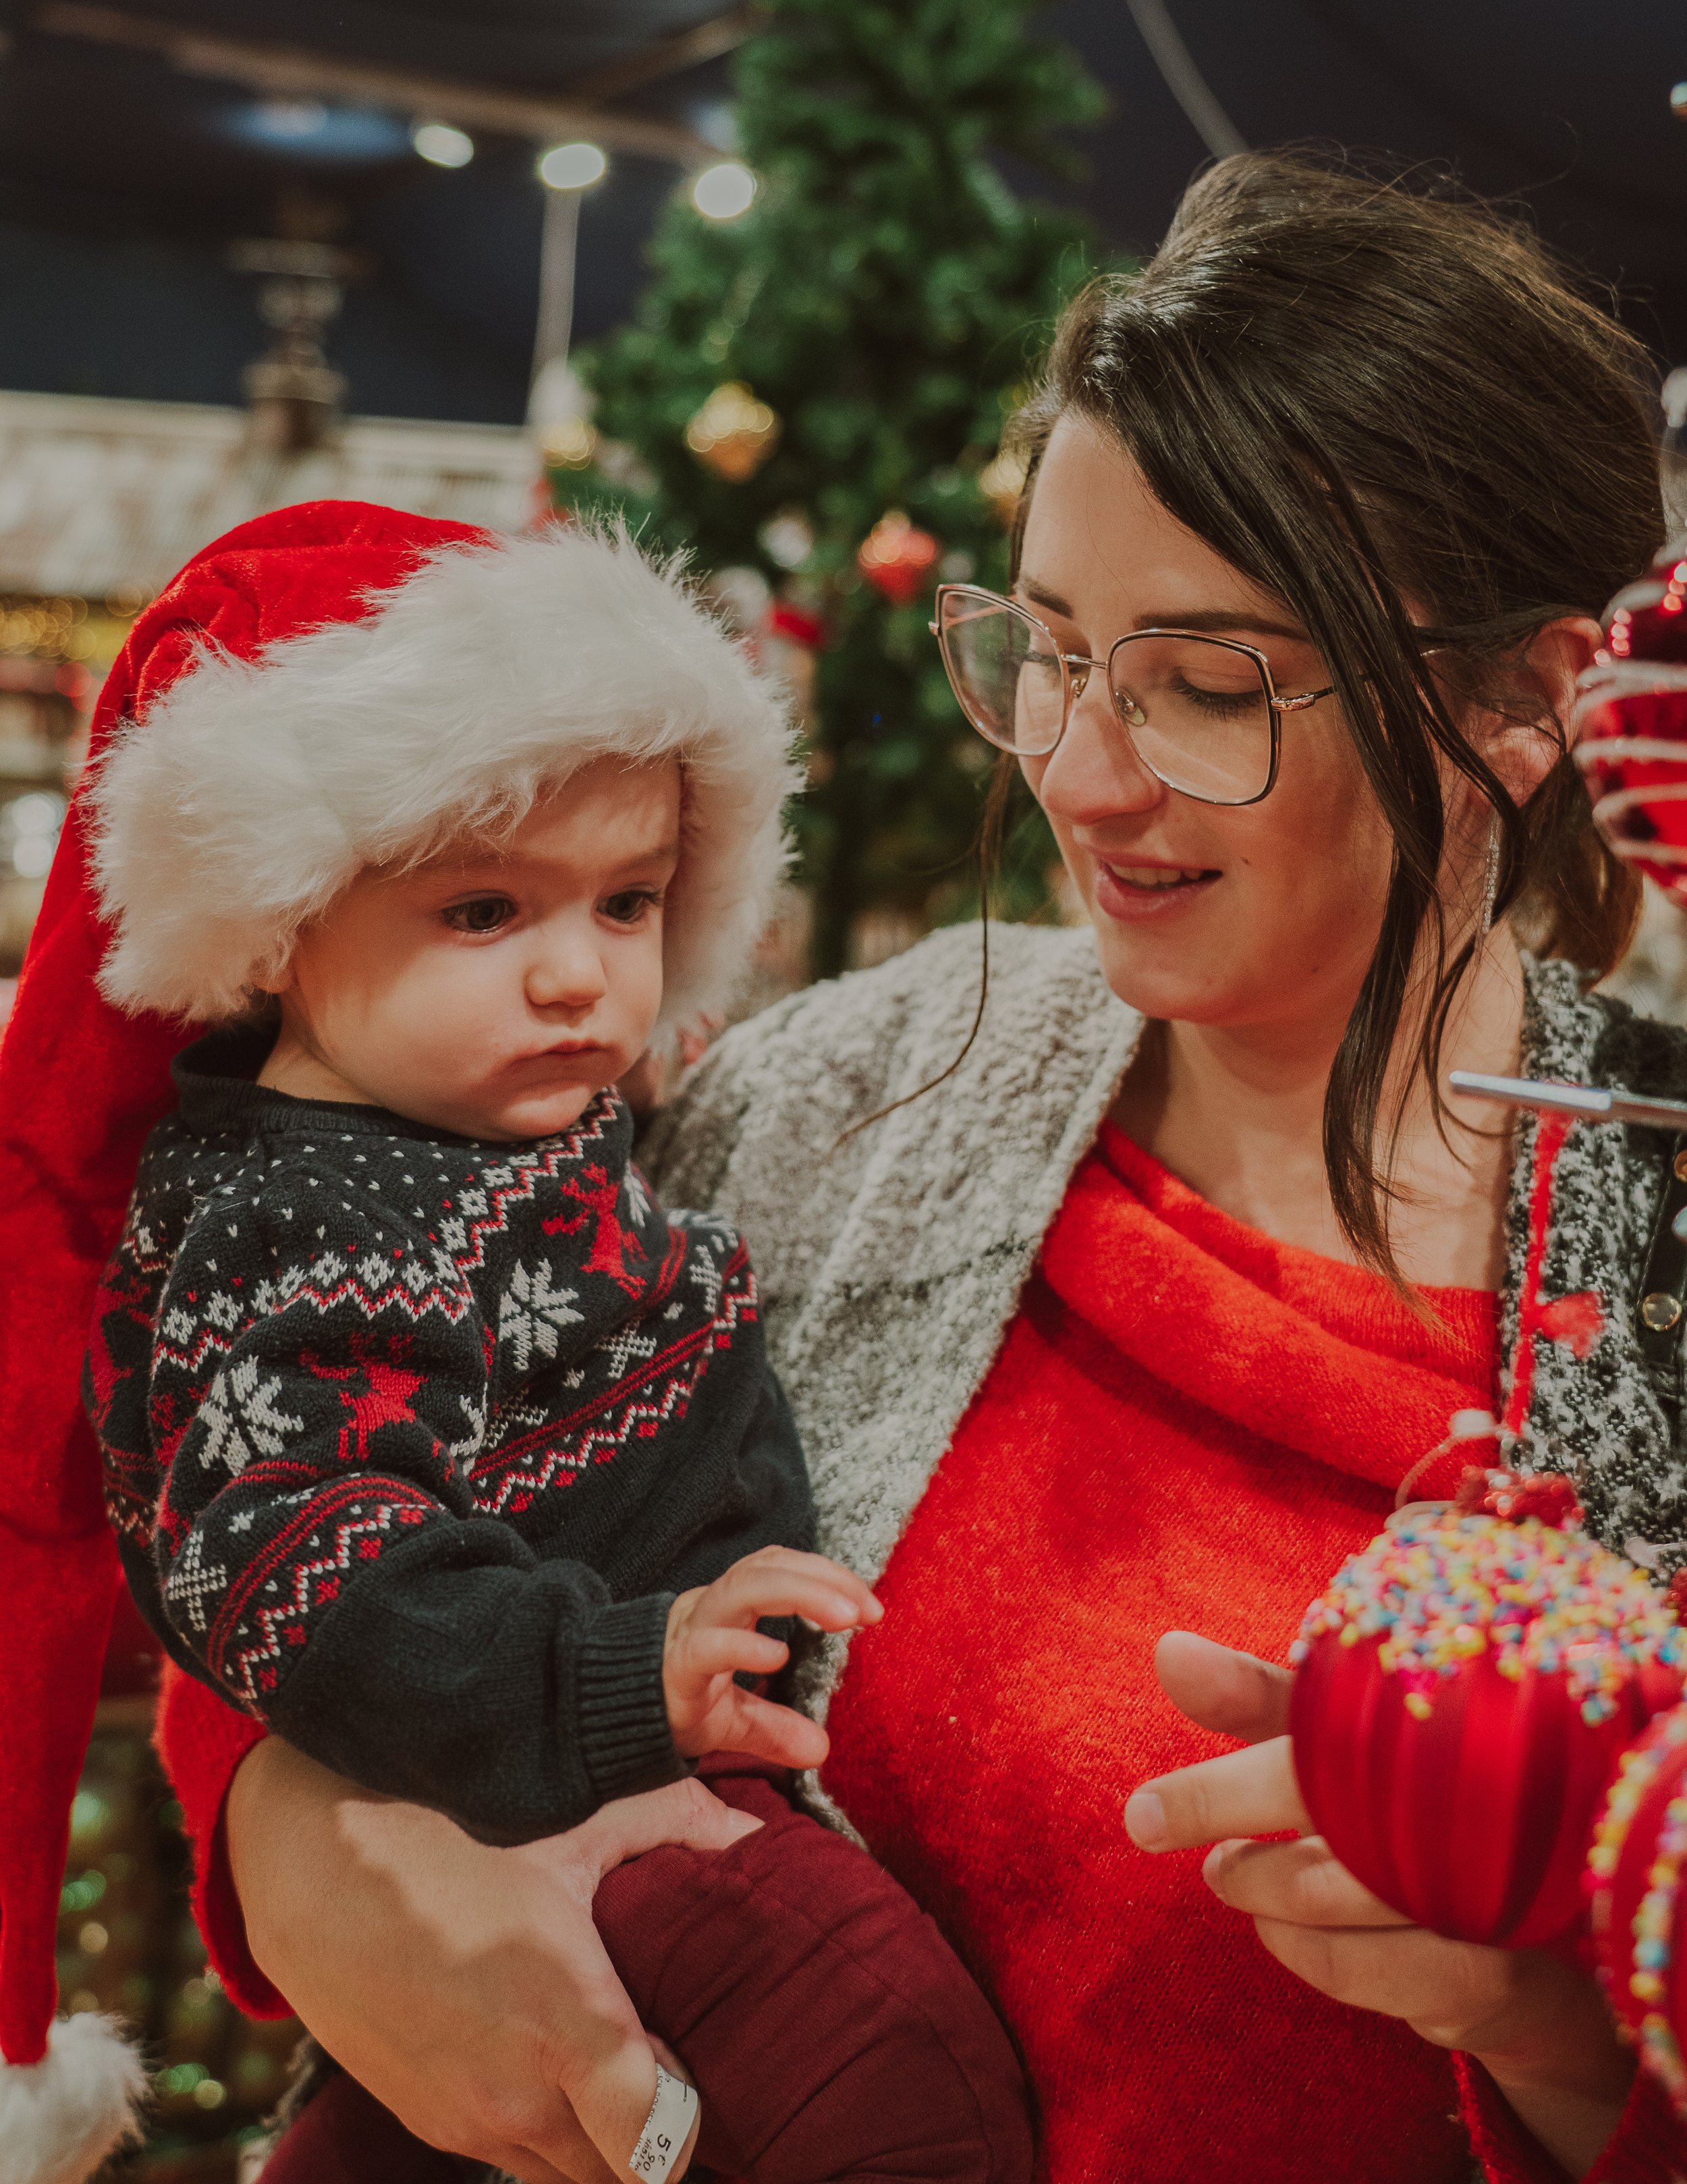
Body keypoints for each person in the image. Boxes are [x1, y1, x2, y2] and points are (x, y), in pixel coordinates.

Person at [39, 152, 1687, 2184]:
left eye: (1204, 682)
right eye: (1052, 648)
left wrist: (1561, 2025)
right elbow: (340, 1486)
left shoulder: (1653, 1277)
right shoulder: (831, 1102)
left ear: (1524, 699)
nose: (1077, 771)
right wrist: (302, 1838)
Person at [0, 506, 1032, 2184]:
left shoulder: (478, 1120)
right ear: (275, 924)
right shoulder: (303, 1222)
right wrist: (627, 1676)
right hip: (565, 1786)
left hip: (599, 1790)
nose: (579, 979)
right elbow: (303, 1581)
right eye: (484, 912)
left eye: (628, 905)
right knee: (900, 2095)